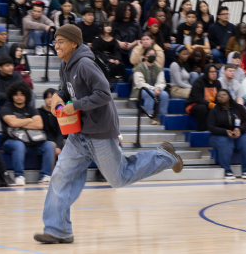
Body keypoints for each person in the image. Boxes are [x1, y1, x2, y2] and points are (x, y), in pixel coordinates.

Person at [34, 25, 182, 244]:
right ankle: (57, 230)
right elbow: (68, 90)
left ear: (74, 43)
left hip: (100, 131)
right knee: (60, 176)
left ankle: (164, 156)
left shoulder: (85, 63)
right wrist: (58, 94)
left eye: (61, 41)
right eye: (55, 41)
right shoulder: (65, 65)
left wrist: (74, 106)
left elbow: (104, 94)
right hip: (78, 134)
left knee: (119, 178)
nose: (56, 45)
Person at [0, 82, 54, 187]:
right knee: (19, 145)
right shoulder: (6, 108)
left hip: (31, 141)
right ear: (12, 95)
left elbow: (39, 125)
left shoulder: (31, 109)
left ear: (26, 95)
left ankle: (45, 176)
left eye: (22, 94)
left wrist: (19, 123)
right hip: (10, 141)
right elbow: (12, 123)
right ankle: (19, 176)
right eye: (16, 94)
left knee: (49, 145)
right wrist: (29, 119)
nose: (19, 97)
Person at [209, 90, 246, 180]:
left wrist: (239, 129)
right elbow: (211, 127)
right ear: (216, 99)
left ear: (229, 96)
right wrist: (226, 131)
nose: (221, 97)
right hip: (218, 135)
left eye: (224, 94)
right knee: (225, 143)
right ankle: (227, 171)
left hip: (238, 133)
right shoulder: (214, 111)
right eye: (219, 96)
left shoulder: (239, 108)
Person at [131, 47, 169, 125]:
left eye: (154, 54)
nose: (152, 56)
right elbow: (139, 83)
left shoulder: (158, 68)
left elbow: (161, 81)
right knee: (150, 93)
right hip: (141, 90)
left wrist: (158, 88)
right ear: (145, 56)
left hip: (155, 89)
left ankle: (162, 117)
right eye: (150, 54)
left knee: (165, 95)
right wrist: (153, 88)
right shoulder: (139, 67)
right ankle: (149, 115)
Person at [186, 63, 221, 131]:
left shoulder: (217, 83)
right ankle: (201, 131)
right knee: (202, 108)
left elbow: (219, 96)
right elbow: (197, 98)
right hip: (193, 105)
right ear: (206, 72)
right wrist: (210, 104)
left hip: (209, 105)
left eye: (215, 71)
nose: (214, 74)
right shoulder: (199, 82)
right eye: (212, 72)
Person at [38, 88, 65, 156]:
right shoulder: (39, 112)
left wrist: (58, 146)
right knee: (51, 146)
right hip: (44, 140)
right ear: (44, 99)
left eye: (52, 97)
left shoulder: (59, 112)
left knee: (68, 142)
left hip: (56, 139)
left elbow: (60, 132)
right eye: (47, 97)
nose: (50, 100)